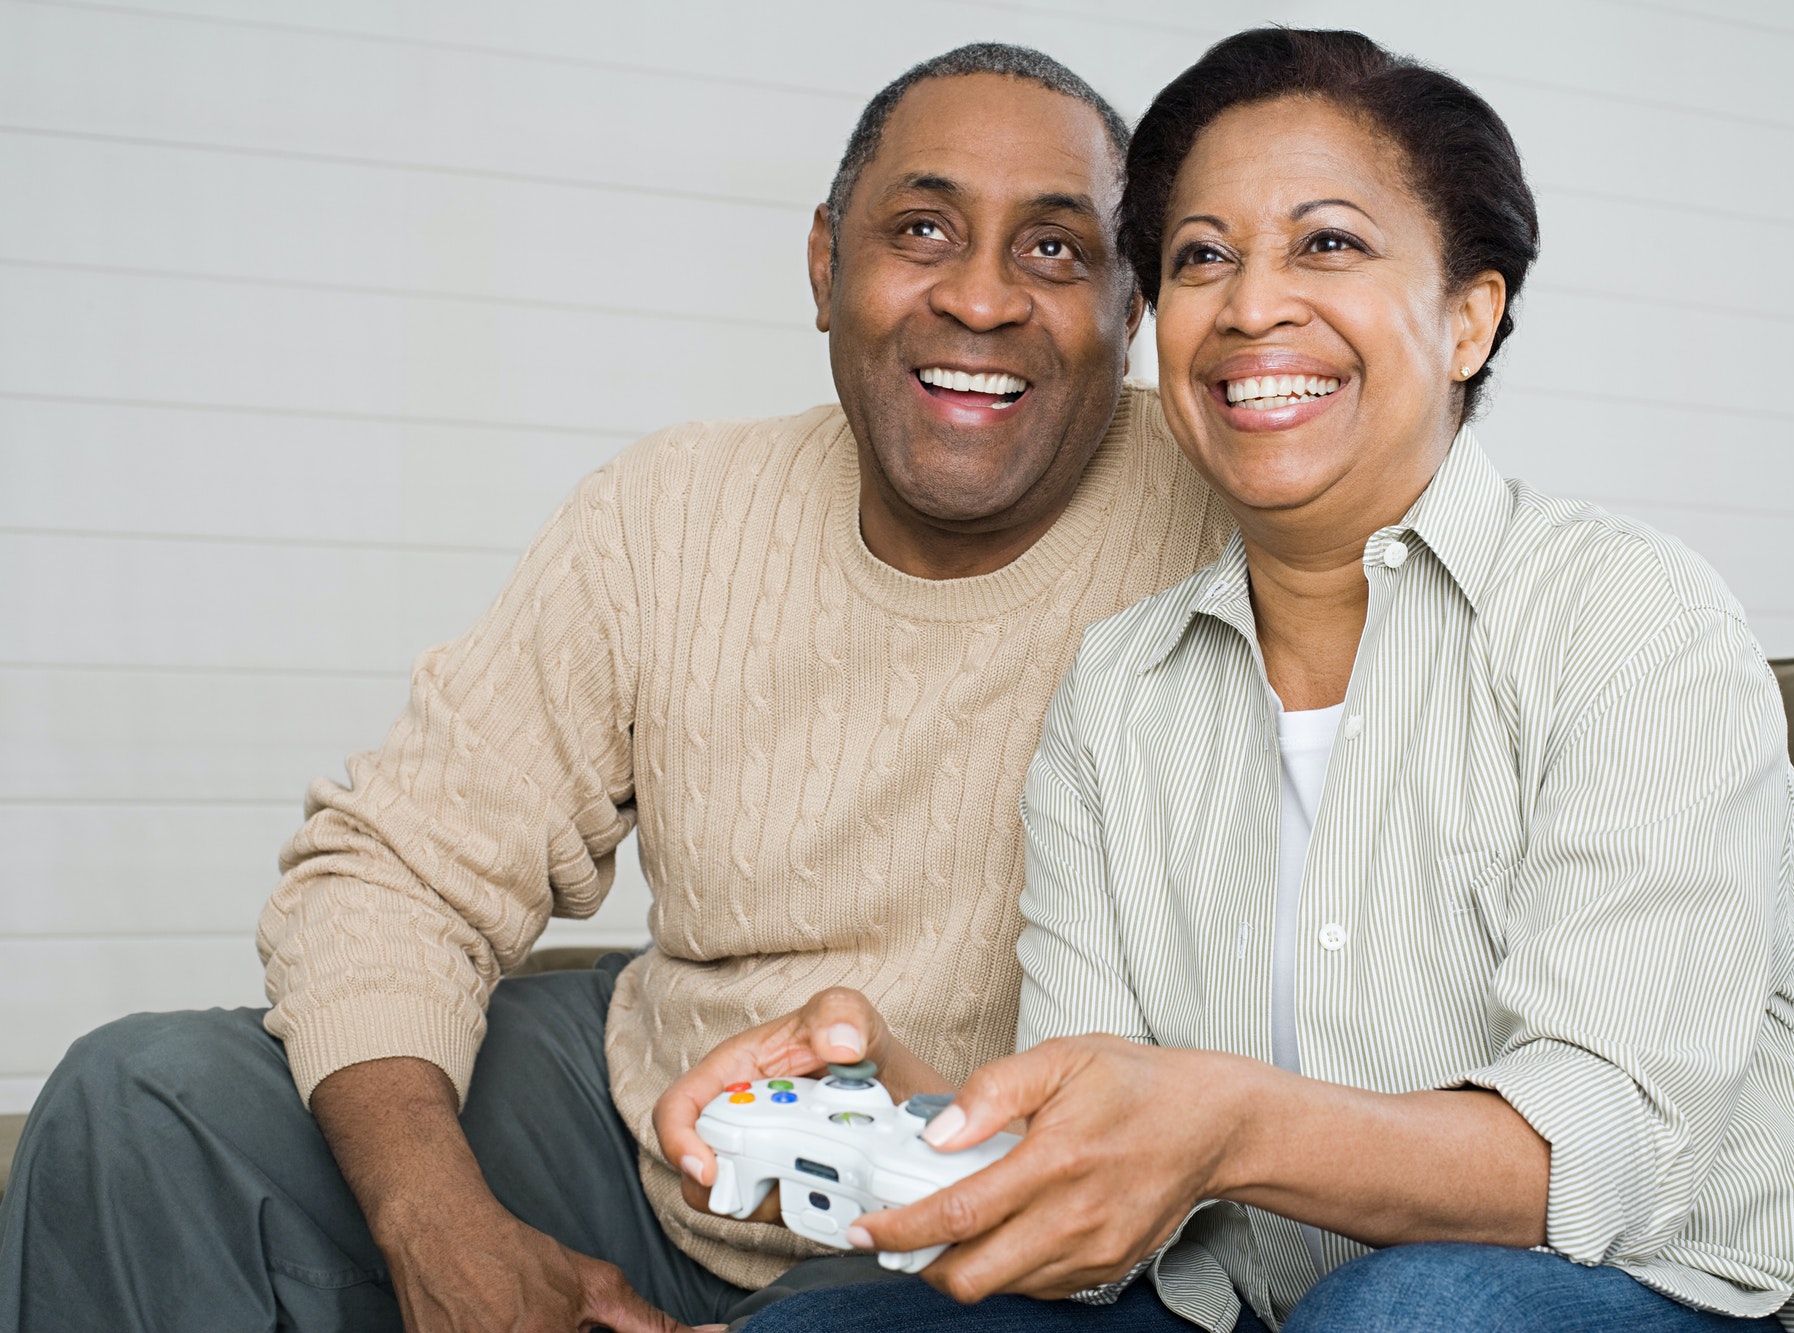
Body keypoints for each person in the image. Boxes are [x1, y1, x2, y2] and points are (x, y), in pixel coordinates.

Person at [661, 28, 1794, 1333]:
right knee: (819, 1327)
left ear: (1467, 317)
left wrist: (1228, 1123)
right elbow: (1108, 1216)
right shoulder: (1120, 693)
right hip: (1289, 1311)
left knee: (1411, 1313)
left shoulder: (1628, 615)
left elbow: (1601, 1152)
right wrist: (918, 1118)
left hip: (1705, 1291)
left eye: (1327, 243)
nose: (1252, 304)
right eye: (1204, 255)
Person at [0, 44, 1237, 1333]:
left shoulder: (1228, 516)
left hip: (998, 1235)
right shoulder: (672, 513)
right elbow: (397, 869)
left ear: (1132, 307)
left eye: (1055, 250)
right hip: (651, 1138)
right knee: (135, 1100)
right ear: (826, 264)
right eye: (921, 230)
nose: (982, 300)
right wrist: (441, 1223)